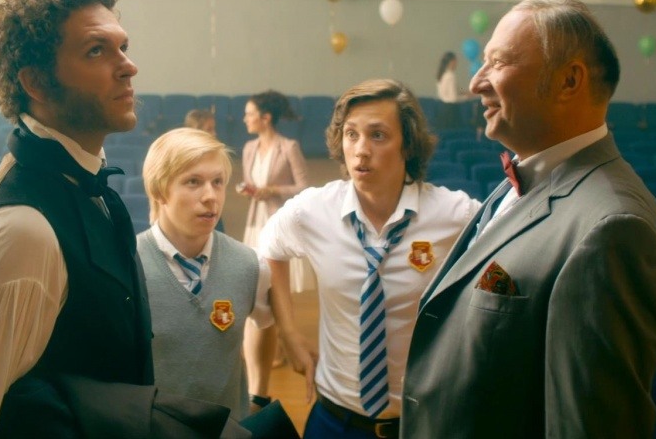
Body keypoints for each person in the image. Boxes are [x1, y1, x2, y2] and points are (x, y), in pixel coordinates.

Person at [402, 0, 656, 438]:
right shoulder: (528, 171)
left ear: (569, 80)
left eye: (498, 63)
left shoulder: (614, 229)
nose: (475, 82)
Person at [0, 0, 153, 438]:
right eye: (96, 50)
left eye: (123, 47)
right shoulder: (21, 229)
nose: (128, 66)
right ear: (36, 82)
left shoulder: (79, 183)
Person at [259, 79, 480, 439]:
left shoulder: (455, 214)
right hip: (334, 422)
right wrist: (288, 332)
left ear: (408, 144)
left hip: (422, 423)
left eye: (378, 135)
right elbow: (270, 249)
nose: (361, 150)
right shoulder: (313, 211)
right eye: (351, 134)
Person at [137, 127, 274, 420]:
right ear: (159, 191)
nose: (211, 196)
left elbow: (264, 323)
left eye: (218, 182)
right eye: (193, 182)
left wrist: (259, 396)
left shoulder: (250, 264)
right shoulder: (127, 263)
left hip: (228, 430)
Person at [238, 90, 309, 410]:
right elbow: (250, 181)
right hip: (256, 222)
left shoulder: (289, 147)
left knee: (277, 287)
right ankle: (271, 343)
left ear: (265, 118)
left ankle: (279, 344)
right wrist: (251, 190)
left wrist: (272, 190)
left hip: (279, 225)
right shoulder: (248, 148)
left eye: (249, 113)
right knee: (257, 285)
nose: (245, 119)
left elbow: (304, 187)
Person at [435, 51, 470, 130]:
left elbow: (457, 89)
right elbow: (453, 99)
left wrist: (466, 92)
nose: (457, 64)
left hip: (442, 109)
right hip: (451, 111)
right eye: (456, 61)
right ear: (452, 62)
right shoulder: (450, 76)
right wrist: (466, 97)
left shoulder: (441, 75)